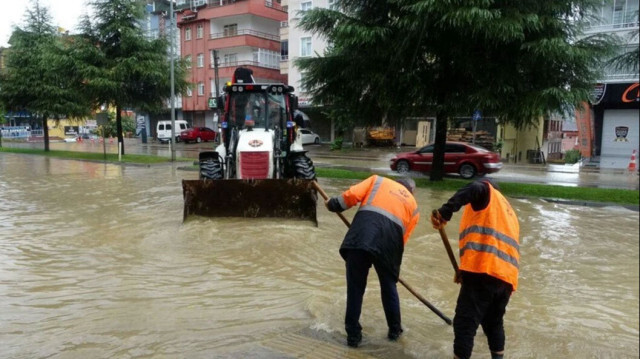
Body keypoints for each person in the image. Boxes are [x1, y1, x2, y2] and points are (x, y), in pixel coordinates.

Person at [324, 175, 420, 348]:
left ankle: (353, 337)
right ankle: (394, 333)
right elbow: (402, 240)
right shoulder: (414, 207)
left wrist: (332, 205)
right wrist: (390, 268)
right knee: (389, 287)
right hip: (389, 247)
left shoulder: (378, 181)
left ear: (397, 183)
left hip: (361, 237)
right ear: (411, 191)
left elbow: (349, 197)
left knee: (355, 289)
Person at [430, 179, 520, 359]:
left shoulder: (487, 193)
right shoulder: (508, 212)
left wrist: (445, 212)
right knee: (493, 323)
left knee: (464, 324)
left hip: (484, 273)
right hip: (505, 280)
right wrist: (464, 271)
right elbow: (489, 243)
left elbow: (476, 187)